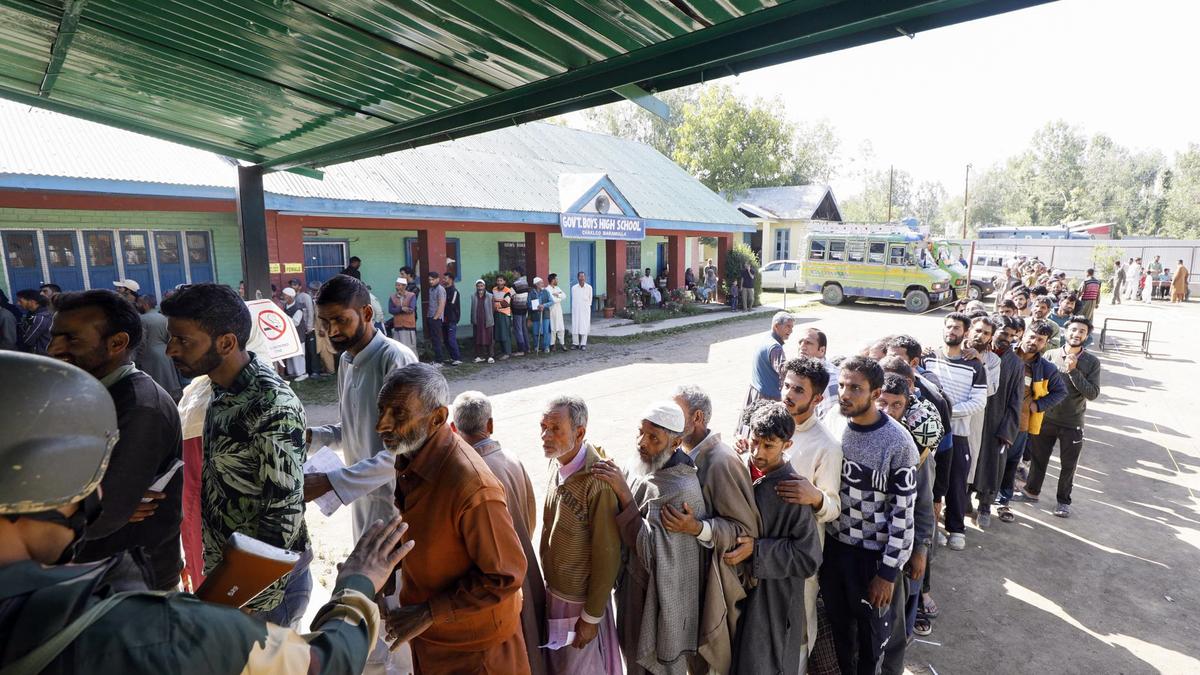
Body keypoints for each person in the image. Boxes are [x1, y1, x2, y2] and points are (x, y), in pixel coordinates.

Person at [0, 352, 415, 675]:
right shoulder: (155, 632)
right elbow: (329, 662)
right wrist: (357, 585)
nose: (101, 492)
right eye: (93, 478)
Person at [161, 283, 311, 626]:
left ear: (226, 343)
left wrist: (239, 594)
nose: (171, 350)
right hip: (230, 578)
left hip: (262, 593)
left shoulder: (272, 406)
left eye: (184, 340)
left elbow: (282, 517)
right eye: (172, 338)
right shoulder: (220, 389)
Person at [376, 364, 530, 673]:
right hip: (435, 640)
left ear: (438, 418)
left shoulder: (471, 486)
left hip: (476, 653)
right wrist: (383, 571)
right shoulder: (412, 456)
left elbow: (506, 576)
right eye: (382, 411)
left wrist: (428, 613)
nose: (382, 425)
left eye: (399, 415)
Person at [304, 273, 417, 668]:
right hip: (363, 506)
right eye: (325, 323)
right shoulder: (348, 361)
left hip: (397, 506)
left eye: (341, 321)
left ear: (366, 313)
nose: (332, 331)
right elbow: (348, 429)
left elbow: (403, 454)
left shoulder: (394, 361)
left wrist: (328, 482)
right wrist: (313, 437)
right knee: (372, 604)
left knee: (398, 608)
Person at [46, 290, 182, 590]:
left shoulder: (140, 406)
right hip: (88, 574)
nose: (54, 349)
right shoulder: (82, 394)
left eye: (71, 339)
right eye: (54, 336)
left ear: (117, 343)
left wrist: (92, 504)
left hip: (130, 587)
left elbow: (105, 514)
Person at [591, 401, 705, 675]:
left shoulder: (683, 488)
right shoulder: (640, 464)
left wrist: (623, 494)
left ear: (676, 442)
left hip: (661, 604)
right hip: (632, 592)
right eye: (640, 433)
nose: (642, 442)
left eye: (654, 437)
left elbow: (652, 553)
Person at [820, 356, 917, 675]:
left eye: (856, 388)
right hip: (833, 550)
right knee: (840, 634)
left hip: (872, 560)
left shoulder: (897, 443)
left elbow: (903, 515)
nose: (845, 394)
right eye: (843, 385)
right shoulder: (834, 419)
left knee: (871, 643)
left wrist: (888, 572)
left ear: (876, 394)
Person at [663, 385, 760, 674]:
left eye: (676, 414)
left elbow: (744, 531)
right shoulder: (680, 452)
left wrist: (698, 528)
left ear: (697, 417)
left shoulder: (720, 462)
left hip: (714, 584)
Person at [452, 391, 547, 675]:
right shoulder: (511, 459)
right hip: (524, 568)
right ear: (490, 425)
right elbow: (530, 517)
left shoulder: (467, 473)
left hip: (497, 580)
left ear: (454, 430)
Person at [730, 402, 822, 675]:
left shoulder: (793, 490)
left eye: (769, 446)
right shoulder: (738, 471)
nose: (758, 453)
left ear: (787, 444)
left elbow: (809, 558)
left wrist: (757, 550)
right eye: (754, 443)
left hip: (772, 602)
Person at [539, 395, 623, 675]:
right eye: (543, 426)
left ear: (580, 432)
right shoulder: (557, 461)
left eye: (555, 429)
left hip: (579, 605)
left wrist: (591, 616)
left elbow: (607, 554)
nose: (545, 436)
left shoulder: (597, 482)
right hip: (556, 596)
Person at [772, 356, 843, 665]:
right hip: (761, 548)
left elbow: (834, 508)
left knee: (797, 630)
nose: (788, 394)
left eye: (798, 390)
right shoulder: (770, 425)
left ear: (817, 398)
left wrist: (814, 498)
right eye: (786, 386)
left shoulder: (826, 445)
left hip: (800, 556)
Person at [874, 371, 940, 672]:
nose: (888, 411)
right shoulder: (854, 435)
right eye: (882, 402)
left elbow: (924, 507)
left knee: (895, 625)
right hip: (863, 547)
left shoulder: (913, 449)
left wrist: (921, 549)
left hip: (897, 552)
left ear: (907, 405)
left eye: (896, 405)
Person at [1022, 316, 1101, 518]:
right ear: (1065, 332)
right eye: (1073, 330)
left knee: (1068, 465)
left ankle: (1063, 501)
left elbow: (1092, 393)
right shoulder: (1049, 354)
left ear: (1087, 336)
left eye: (1082, 331)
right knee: (1038, 459)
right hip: (1045, 418)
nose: (1077, 334)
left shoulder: (1091, 362)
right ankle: (1031, 491)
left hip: (1072, 422)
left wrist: (1074, 372)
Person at [922, 313, 987, 552]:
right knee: (931, 482)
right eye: (948, 326)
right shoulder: (928, 357)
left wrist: (947, 412)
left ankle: (956, 529)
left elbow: (979, 401)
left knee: (956, 481)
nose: (951, 331)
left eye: (957, 328)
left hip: (958, 433)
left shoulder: (974, 365)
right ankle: (933, 528)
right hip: (929, 433)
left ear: (965, 333)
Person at [996, 320, 1067, 522]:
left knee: (1010, 464)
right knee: (987, 460)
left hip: (1020, 424)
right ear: (1023, 334)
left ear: (1046, 344)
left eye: (1040, 340)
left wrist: (1038, 406)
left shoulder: (1045, 368)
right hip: (993, 418)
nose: (1034, 342)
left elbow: (1060, 391)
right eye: (1032, 336)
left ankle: (1003, 501)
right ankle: (981, 499)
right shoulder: (1004, 354)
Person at [973, 314, 1023, 527]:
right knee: (969, 463)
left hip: (997, 423)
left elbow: (1016, 401)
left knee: (992, 466)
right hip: (974, 418)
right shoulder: (976, 353)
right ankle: (962, 502)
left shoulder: (1016, 364)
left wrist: (1007, 430)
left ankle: (985, 506)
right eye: (1003, 333)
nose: (1007, 338)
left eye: (1012, 336)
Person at [134, 294, 183, 401]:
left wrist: (137, 359)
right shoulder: (164, 318)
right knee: (169, 383)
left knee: (156, 386)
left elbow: (141, 343)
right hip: (165, 353)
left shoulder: (142, 319)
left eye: (139, 303)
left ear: (145, 304)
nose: (137, 305)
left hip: (150, 356)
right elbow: (170, 337)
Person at [746, 311, 794, 404]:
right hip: (766, 398)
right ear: (776, 326)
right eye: (788, 326)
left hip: (755, 391)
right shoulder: (775, 348)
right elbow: (784, 372)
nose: (791, 331)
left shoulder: (766, 338)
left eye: (792, 327)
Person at [799, 327, 841, 418]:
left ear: (821, 350)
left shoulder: (830, 378)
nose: (802, 346)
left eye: (808, 343)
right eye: (800, 342)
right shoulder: (802, 371)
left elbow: (828, 420)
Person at [289, 279, 319, 376]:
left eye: (295, 284)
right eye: (291, 285)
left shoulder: (305, 297)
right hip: (300, 329)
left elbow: (311, 312)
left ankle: (315, 371)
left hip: (308, 328)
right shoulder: (292, 298)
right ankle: (307, 370)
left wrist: (309, 327)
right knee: (303, 351)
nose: (293, 286)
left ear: (300, 287)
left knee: (312, 350)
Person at [281, 287, 308, 381]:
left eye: (285, 295)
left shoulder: (298, 307)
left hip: (298, 334)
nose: (283, 297)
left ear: (290, 297)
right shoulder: (286, 306)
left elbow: (296, 322)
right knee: (291, 353)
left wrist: (284, 318)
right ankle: (292, 372)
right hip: (290, 335)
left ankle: (302, 373)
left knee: (299, 354)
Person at [15, 288, 52, 354]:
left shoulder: (40, 318)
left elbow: (28, 340)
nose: (18, 304)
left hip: (43, 356)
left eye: (20, 301)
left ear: (32, 302)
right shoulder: (33, 315)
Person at [389, 277, 419, 352]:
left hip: (409, 326)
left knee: (410, 349)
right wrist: (401, 309)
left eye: (399, 285)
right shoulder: (392, 297)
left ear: (404, 286)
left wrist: (398, 309)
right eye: (396, 285)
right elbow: (391, 310)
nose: (397, 287)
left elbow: (411, 309)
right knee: (399, 349)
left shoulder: (411, 295)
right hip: (398, 326)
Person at [424, 271, 448, 365]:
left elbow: (441, 305)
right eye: (429, 279)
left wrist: (435, 318)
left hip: (436, 318)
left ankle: (440, 360)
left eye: (432, 279)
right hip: (430, 316)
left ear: (438, 279)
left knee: (437, 339)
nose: (430, 281)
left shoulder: (440, 289)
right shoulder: (431, 289)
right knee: (433, 339)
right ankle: (437, 359)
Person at [439, 272, 463, 365]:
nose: (443, 280)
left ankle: (458, 358)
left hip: (451, 319)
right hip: (443, 320)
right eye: (443, 278)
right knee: (445, 340)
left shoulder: (454, 291)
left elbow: (451, 305)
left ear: (451, 280)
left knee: (451, 339)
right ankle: (453, 357)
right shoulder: (443, 290)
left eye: (445, 278)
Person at [470, 279, 495, 363]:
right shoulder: (473, 296)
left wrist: (489, 317)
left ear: (484, 286)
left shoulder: (490, 296)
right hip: (477, 321)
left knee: (489, 338)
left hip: (487, 320)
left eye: (481, 286)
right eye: (478, 286)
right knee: (477, 339)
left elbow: (493, 309)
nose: (480, 288)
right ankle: (479, 356)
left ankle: (490, 356)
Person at [529, 277, 553, 354]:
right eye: (541, 283)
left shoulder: (546, 292)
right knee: (536, 332)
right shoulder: (531, 293)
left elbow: (552, 301)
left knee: (546, 331)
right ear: (536, 284)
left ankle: (546, 347)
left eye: (542, 283)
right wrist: (536, 307)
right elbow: (529, 304)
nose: (543, 284)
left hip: (545, 314)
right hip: (536, 315)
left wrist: (544, 305)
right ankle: (537, 346)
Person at [493, 275, 515, 360]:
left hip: (505, 314)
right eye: (498, 280)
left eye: (501, 280)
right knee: (499, 333)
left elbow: (506, 303)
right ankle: (503, 351)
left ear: (504, 282)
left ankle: (508, 352)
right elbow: (493, 300)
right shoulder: (494, 289)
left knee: (505, 333)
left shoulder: (508, 291)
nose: (499, 282)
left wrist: (495, 305)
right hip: (497, 313)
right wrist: (497, 305)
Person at [571, 271, 593, 350]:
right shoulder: (574, 288)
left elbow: (590, 300)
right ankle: (575, 343)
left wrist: (586, 307)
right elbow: (574, 300)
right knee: (575, 326)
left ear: (585, 278)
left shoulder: (589, 287)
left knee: (584, 326)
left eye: (583, 276)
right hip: (576, 310)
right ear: (578, 278)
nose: (582, 278)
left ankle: (583, 344)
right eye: (580, 277)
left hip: (585, 310)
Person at [511, 268, 531, 356]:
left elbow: (509, 295)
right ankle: (527, 348)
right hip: (524, 308)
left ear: (518, 273)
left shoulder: (515, 284)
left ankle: (521, 350)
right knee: (524, 328)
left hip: (517, 309)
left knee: (518, 329)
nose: (513, 274)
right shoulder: (525, 283)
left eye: (514, 272)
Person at [547, 273, 568, 351]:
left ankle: (562, 344)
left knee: (561, 327)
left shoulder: (557, 288)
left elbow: (564, 296)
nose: (557, 280)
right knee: (553, 328)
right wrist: (559, 297)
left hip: (559, 310)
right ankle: (552, 345)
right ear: (553, 280)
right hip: (552, 311)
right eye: (556, 279)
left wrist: (558, 295)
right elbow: (553, 300)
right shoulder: (547, 289)